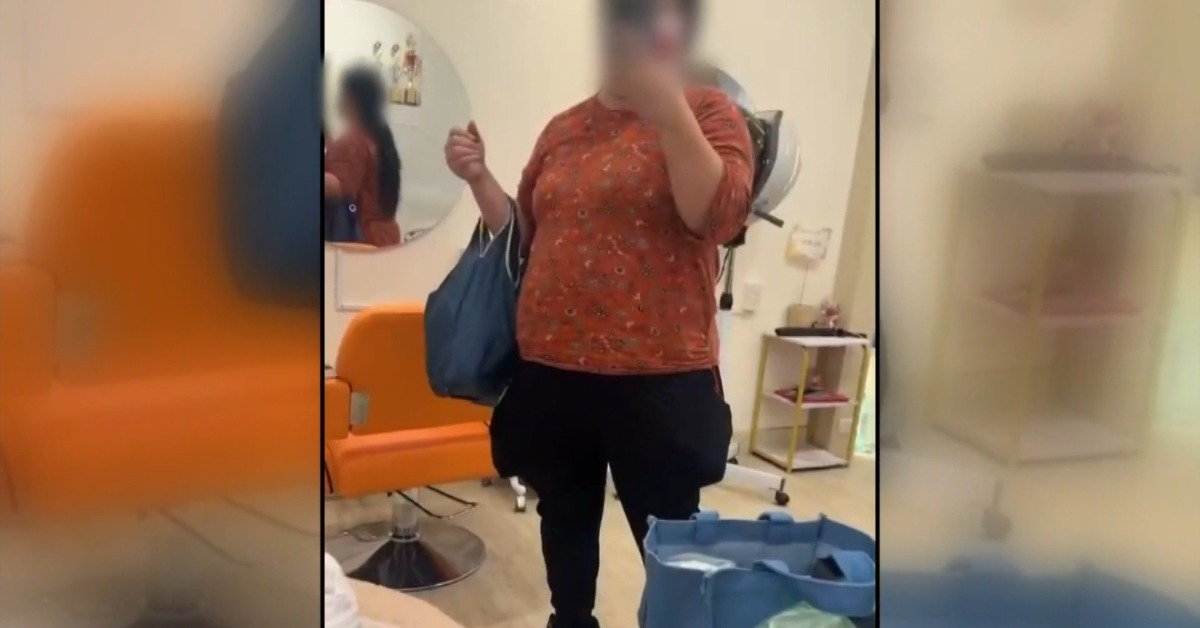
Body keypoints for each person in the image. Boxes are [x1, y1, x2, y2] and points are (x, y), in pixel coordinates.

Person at [443, 0, 752, 626]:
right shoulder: (563, 128)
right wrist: (478, 179)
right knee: (564, 518)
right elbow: (524, 237)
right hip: (552, 369)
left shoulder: (708, 110)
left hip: (658, 377)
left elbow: (717, 216)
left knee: (668, 536)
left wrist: (667, 107)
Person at [325, 65, 403, 248]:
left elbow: (340, 187)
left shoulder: (354, 139)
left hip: (359, 241)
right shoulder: (377, 135)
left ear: (351, 99)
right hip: (384, 237)